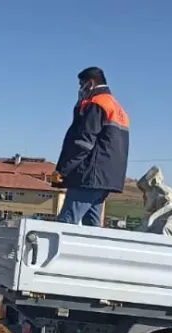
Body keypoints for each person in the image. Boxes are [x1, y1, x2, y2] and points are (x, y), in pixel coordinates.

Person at [51, 66, 130, 226]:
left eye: (81, 85)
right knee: (92, 228)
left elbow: (83, 142)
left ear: (90, 84)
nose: (80, 89)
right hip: (107, 178)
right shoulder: (117, 107)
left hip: (89, 176)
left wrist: (63, 170)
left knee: (65, 224)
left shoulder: (96, 103)